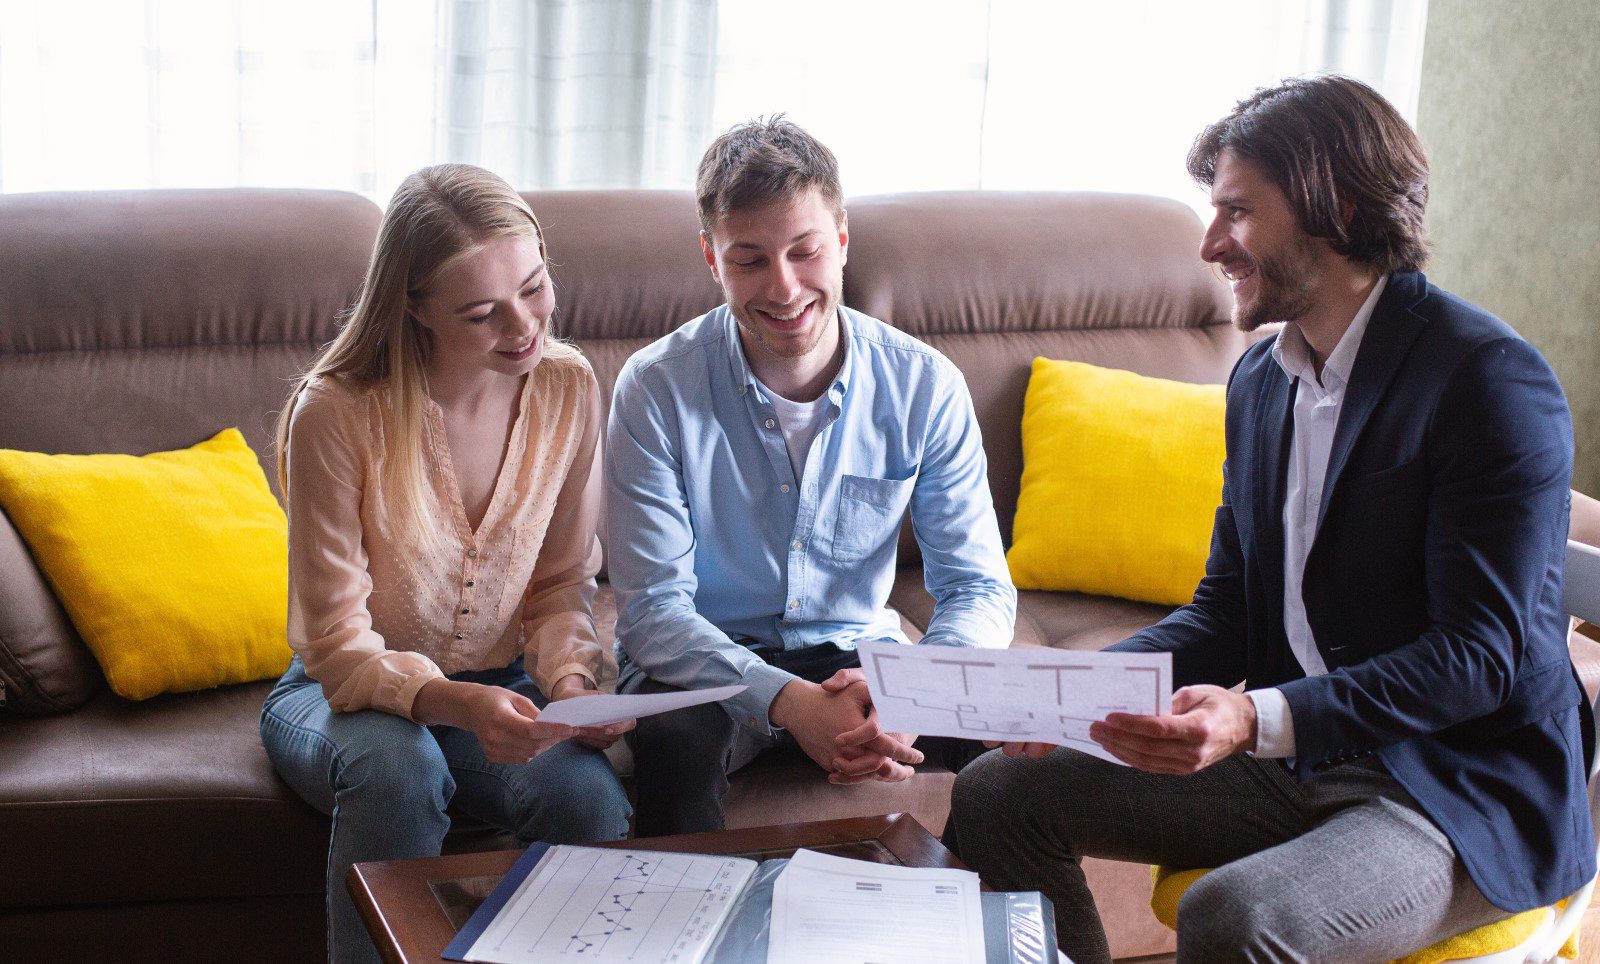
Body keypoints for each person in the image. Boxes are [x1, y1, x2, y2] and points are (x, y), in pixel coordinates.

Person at [947, 75, 1596, 964]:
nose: (1210, 243)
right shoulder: (1262, 383)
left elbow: (1476, 659)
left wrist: (1256, 720)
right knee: (995, 795)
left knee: (1233, 914)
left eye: (1237, 212)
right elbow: (1228, 611)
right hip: (1311, 756)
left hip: (1455, 785)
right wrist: (1068, 698)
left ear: (1339, 204)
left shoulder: (1487, 381)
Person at [259, 164, 633, 964]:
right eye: (481, 312)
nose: (524, 325)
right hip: (342, 697)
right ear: (415, 307)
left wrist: (572, 690)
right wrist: (450, 702)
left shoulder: (569, 387)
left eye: (534, 287)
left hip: (509, 688)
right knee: (400, 770)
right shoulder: (336, 412)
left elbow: (563, 583)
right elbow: (331, 640)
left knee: (588, 800)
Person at [606, 117, 1017, 836]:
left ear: (843, 239)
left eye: (806, 251)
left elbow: (978, 587)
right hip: (704, 656)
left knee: (1017, 733)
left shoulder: (925, 385)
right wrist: (791, 701)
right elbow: (652, 614)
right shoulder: (655, 388)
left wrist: (911, 692)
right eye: (750, 260)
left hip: (859, 648)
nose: (785, 287)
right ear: (710, 257)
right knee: (676, 741)